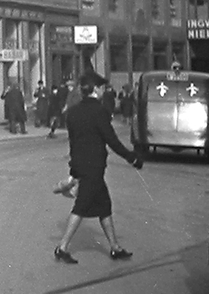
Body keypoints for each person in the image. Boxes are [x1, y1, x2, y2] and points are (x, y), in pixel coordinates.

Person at [54, 72, 144, 264]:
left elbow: (74, 143)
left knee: (104, 206)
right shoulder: (100, 112)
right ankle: (62, 247)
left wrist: (74, 168)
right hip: (93, 168)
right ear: (95, 89)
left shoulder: (73, 112)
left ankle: (115, 247)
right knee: (81, 206)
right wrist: (131, 158)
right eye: (101, 87)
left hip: (81, 165)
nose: (104, 90)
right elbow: (111, 140)